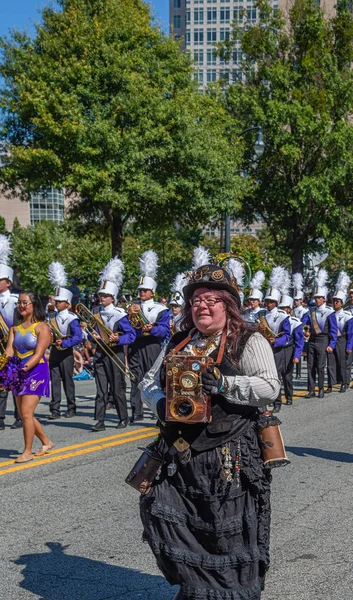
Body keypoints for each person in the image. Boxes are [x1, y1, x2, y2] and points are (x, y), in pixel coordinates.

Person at [139, 256, 281, 600]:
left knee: (224, 532)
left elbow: (270, 387)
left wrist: (225, 384)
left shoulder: (248, 340)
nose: (202, 305)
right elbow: (147, 382)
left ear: (227, 305)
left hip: (228, 455)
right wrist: (160, 403)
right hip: (181, 454)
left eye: (211, 299)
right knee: (182, 525)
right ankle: (196, 590)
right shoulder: (179, 341)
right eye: (196, 299)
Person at [4, 291, 53, 463]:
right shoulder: (14, 328)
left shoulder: (42, 327)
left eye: (25, 302)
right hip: (17, 371)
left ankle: (27, 452)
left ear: (33, 305)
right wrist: (3, 365)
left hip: (36, 370)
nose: (21, 306)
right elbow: (10, 351)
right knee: (26, 414)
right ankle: (46, 442)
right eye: (19, 303)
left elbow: (38, 353)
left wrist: (21, 369)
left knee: (25, 413)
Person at [90, 257, 136, 431]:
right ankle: (100, 420)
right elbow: (91, 335)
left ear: (113, 297)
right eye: (101, 295)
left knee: (117, 389)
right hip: (100, 353)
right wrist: (92, 337)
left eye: (106, 295)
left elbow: (131, 335)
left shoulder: (120, 315)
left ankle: (123, 417)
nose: (102, 298)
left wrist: (118, 339)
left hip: (114, 353)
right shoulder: (96, 313)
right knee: (101, 389)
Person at [128, 250, 170, 423]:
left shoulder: (160, 309)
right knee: (136, 378)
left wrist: (151, 329)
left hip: (153, 345)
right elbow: (127, 326)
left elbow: (164, 330)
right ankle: (136, 411)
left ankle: (156, 408)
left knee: (153, 377)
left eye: (145, 290)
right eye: (140, 290)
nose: (142, 293)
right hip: (136, 344)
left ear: (152, 292)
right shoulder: (133, 307)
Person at [47, 262, 82, 419]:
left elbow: (78, 337)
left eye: (59, 301)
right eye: (56, 301)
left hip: (66, 352)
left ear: (67, 303)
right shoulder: (51, 317)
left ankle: (71, 407)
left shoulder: (71, 318)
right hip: (55, 350)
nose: (57, 303)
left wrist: (65, 343)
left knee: (68, 380)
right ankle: (54, 409)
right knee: (54, 380)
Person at [302, 268, 338, 398]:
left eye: (318, 298)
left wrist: (332, 344)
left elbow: (334, 331)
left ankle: (321, 388)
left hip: (323, 340)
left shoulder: (329, 312)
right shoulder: (311, 311)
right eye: (315, 297)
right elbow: (304, 323)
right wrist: (306, 332)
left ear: (324, 299)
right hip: (312, 340)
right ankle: (311, 389)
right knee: (310, 365)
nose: (316, 300)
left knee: (321, 366)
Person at [261, 267, 291, 411]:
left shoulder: (283, 316)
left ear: (276, 302)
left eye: (271, 301)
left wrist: (276, 341)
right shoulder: (261, 315)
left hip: (277, 349)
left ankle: (277, 402)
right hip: (263, 348)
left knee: (276, 376)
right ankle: (264, 401)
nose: (268, 304)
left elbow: (287, 335)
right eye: (267, 301)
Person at [0, 235, 22, 430]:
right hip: (0, 345)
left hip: (15, 344)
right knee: (0, 384)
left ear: (7, 282)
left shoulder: (16, 300)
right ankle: (0, 419)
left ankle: (19, 417)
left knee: (14, 381)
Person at [326, 271, 353, 394]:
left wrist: (349, 346)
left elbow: (351, 333)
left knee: (343, 363)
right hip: (333, 341)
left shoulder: (348, 315)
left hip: (343, 340)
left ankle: (344, 382)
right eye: (334, 301)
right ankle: (331, 383)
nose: (335, 303)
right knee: (331, 363)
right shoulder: (331, 315)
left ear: (342, 303)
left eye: (337, 301)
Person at [278, 292, 305, 405]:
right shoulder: (277, 319)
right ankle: (276, 401)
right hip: (278, 349)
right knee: (277, 376)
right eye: (281, 308)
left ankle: (289, 397)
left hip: (289, 349)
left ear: (289, 309)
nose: (282, 310)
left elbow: (299, 341)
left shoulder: (295, 322)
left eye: (284, 308)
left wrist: (297, 355)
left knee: (288, 375)